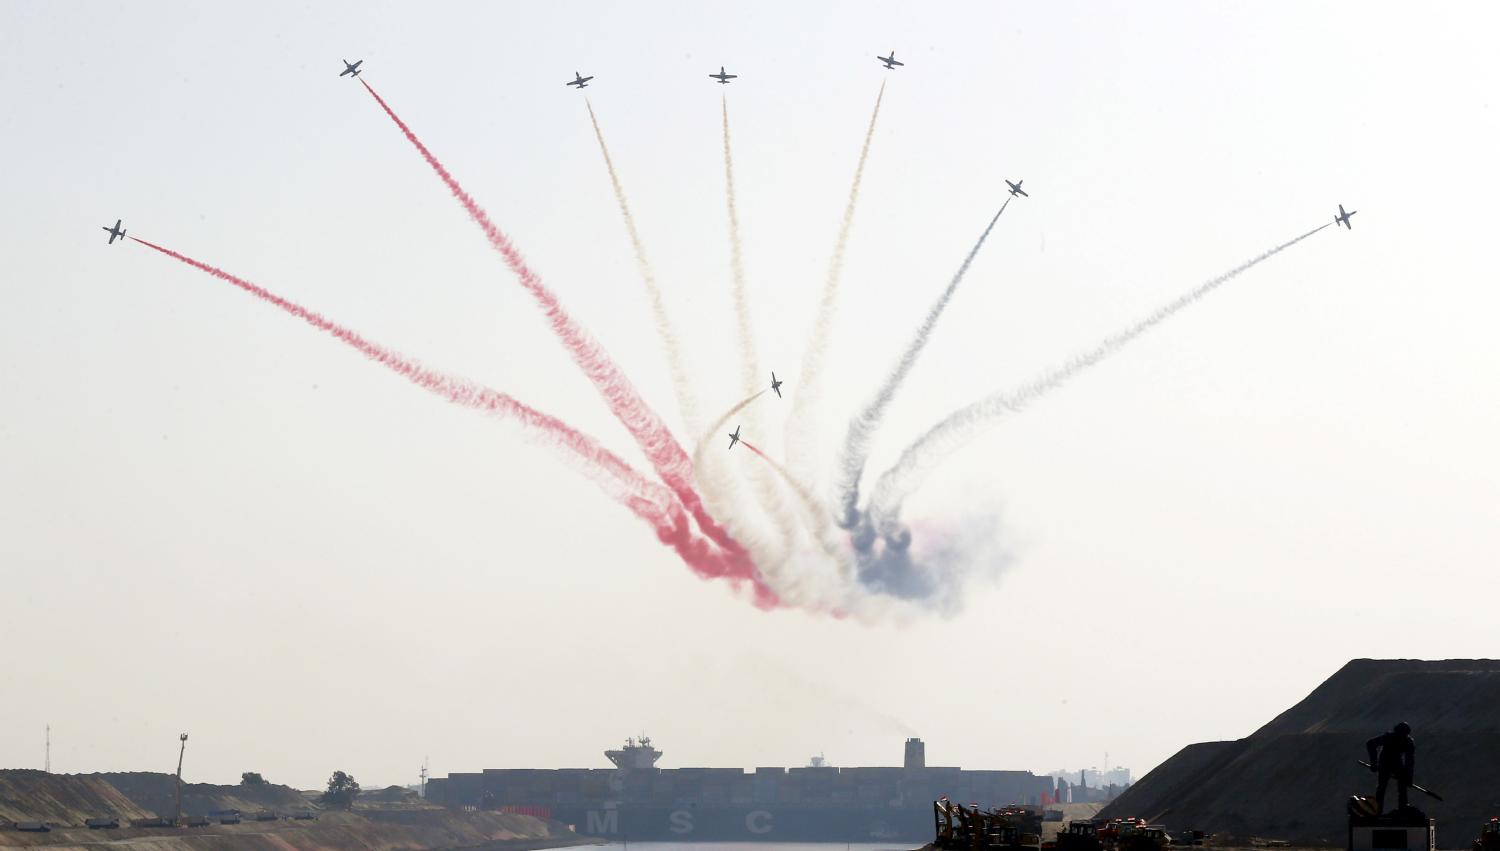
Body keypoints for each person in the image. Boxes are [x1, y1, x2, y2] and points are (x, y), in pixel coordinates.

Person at [1366, 721, 1416, 813]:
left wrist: (1409, 777)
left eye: (1404, 734)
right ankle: (1378, 811)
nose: (1402, 736)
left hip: (1397, 763)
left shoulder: (1409, 742)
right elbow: (1370, 743)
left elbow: (1410, 761)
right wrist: (1374, 763)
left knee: (1402, 784)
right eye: (1400, 734)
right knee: (1382, 787)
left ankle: (1403, 808)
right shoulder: (1389, 737)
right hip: (1385, 762)